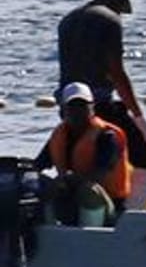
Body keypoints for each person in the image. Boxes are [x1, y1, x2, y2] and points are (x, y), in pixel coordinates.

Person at [57, 0, 146, 206]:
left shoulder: (68, 20)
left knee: (88, 162)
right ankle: (131, 214)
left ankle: (91, 210)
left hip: (68, 108)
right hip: (99, 107)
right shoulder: (109, 20)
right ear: (119, 1)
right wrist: (138, 115)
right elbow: (115, 71)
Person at [34, 82, 131, 225]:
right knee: (36, 184)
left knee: (88, 190)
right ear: (63, 110)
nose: (77, 111)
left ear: (92, 109)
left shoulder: (107, 136)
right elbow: (37, 165)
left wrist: (66, 180)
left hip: (108, 207)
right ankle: (45, 234)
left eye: (82, 106)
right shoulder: (59, 135)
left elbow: (99, 174)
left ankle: (90, 237)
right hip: (71, 200)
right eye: (72, 106)